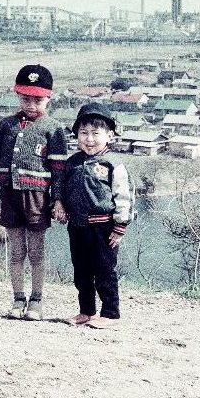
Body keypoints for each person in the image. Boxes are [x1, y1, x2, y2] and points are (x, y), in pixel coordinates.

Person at [0, 64, 68, 321]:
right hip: (9, 196)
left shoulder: (53, 129)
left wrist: (58, 200)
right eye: (25, 98)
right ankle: (18, 299)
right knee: (16, 252)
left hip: (37, 199)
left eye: (37, 100)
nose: (31, 104)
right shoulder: (5, 125)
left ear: (48, 99)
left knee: (36, 252)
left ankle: (37, 301)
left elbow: (59, 169)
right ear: (18, 96)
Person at [56, 103, 134, 329]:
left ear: (109, 135)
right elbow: (60, 187)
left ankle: (110, 314)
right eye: (83, 133)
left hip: (104, 229)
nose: (89, 139)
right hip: (77, 226)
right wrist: (58, 205)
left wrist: (120, 226)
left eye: (95, 134)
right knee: (81, 271)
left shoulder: (113, 164)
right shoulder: (72, 162)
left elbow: (124, 197)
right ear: (77, 135)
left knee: (104, 271)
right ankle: (86, 311)